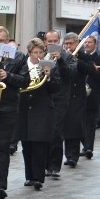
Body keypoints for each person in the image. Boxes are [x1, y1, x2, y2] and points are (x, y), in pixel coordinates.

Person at [0, 25, 29, 199]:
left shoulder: (17, 56)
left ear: (7, 40)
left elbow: (25, 81)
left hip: (8, 107)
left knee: (2, 146)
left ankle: (1, 184)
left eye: (1, 41)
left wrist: (8, 76)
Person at [16, 38, 60, 191]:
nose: (38, 55)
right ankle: (29, 176)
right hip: (24, 109)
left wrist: (49, 76)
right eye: (35, 52)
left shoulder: (49, 66)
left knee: (40, 144)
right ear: (29, 53)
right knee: (27, 144)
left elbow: (56, 88)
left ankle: (38, 177)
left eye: (41, 52)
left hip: (42, 109)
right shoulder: (22, 65)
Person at [43, 30, 76, 178]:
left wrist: (61, 59)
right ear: (45, 42)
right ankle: (43, 164)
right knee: (44, 132)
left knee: (56, 132)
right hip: (44, 98)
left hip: (60, 98)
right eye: (49, 42)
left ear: (59, 41)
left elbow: (70, 74)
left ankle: (54, 166)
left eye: (55, 41)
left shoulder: (67, 56)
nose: (52, 44)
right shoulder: (40, 54)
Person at [62, 32, 93, 167]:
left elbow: (91, 70)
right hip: (64, 94)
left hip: (77, 95)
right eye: (66, 43)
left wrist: (77, 60)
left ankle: (73, 156)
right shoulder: (61, 55)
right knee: (66, 126)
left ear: (77, 43)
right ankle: (69, 153)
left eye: (71, 43)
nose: (69, 46)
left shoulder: (83, 55)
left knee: (74, 124)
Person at [81, 35, 100, 159]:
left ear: (95, 44)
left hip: (94, 94)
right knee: (80, 122)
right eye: (85, 42)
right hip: (80, 95)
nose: (87, 44)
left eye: (89, 42)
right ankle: (84, 144)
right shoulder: (79, 57)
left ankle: (89, 148)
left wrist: (95, 71)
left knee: (91, 122)